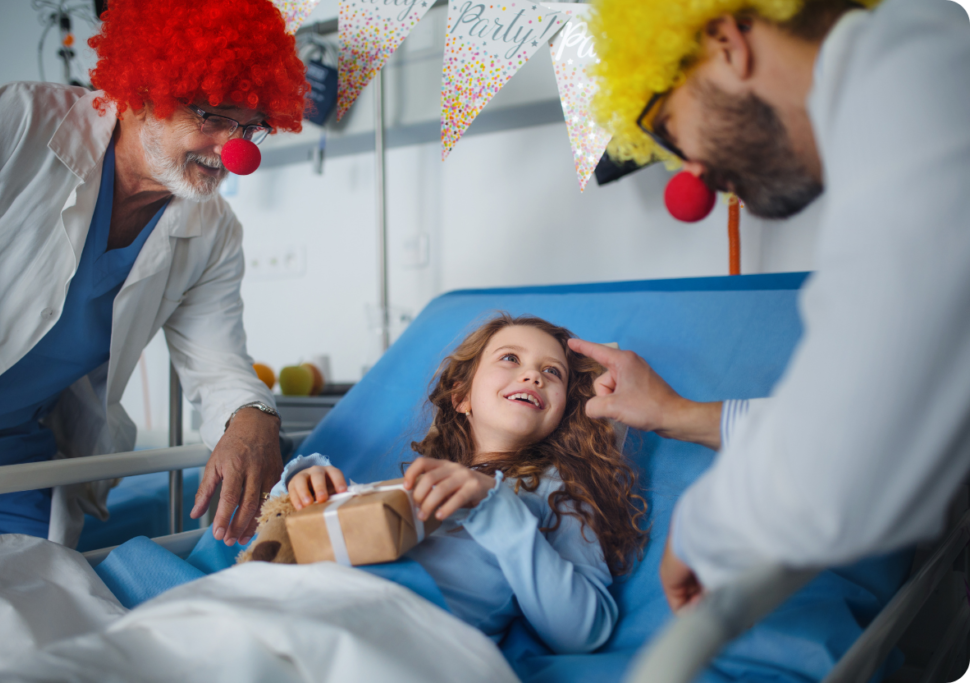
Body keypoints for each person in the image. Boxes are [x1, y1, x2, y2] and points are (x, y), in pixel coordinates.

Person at [569, 0, 970, 609]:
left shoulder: (907, 86)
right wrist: (675, 412)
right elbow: (857, 400)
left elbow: (845, 462)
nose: (693, 175)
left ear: (725, 42)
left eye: (667, 130)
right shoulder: (907, 67)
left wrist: (705, 528)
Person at [0, 0, 309, 547]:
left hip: (5, 465)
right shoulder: (9, 125)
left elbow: (217, 366)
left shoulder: (213, 231)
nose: (234, 152)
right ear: (142, 92)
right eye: (212, 117)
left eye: (250, 127)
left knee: (18, 618)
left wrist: (253, 414)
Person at [280, 314, 649, 653]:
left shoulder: (558, 493)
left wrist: (495, 505)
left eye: (553, 372)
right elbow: (304, 537)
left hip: (400, 636)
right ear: (461, 397)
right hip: (314, 603)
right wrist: (308, 484)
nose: (534, 376)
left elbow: (584, 632)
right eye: (510, 358)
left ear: (562, 412)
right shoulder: (422, 480)